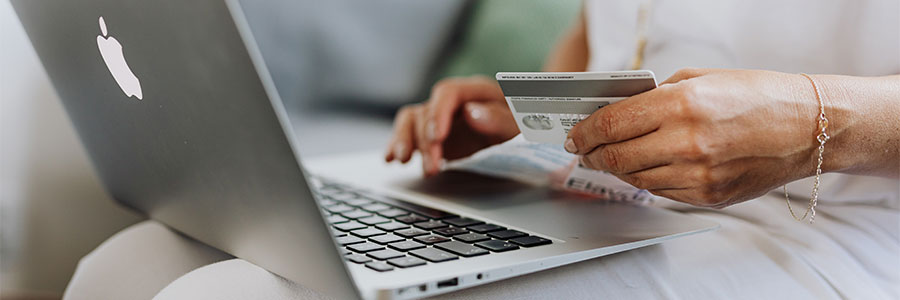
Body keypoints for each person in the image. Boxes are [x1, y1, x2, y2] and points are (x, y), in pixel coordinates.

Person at [65, 0, 899, 299]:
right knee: (125, 271)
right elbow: (606, 31)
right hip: (607, 197)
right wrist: (535, 108)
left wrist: (813, 117)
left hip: (822, 228)